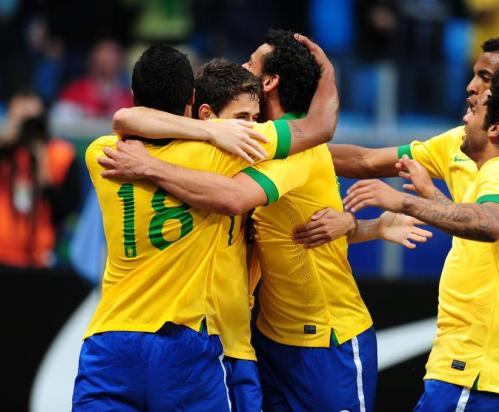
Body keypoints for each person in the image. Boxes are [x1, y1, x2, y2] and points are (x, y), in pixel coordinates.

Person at [100, 30, 413, 412]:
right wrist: (362, 226)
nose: (242, 68)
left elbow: (236, 195)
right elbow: (130, 117)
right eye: (237, 118)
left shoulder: (277, 148)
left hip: (326, 341)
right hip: (261, 338)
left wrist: (357, 223)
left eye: (251, 63)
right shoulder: (232, 147)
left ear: (269, 82)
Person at [310, 37, 499, 390]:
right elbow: (365, 160)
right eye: (473, 75)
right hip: (467, 325)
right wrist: (287, 144)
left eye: (485, 77)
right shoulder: (464, 140)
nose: (471, 86)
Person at [73, 40, 337, 410]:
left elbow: (124, 120)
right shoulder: (227, 152)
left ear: (133, 94)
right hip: (185, 338)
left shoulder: (103, 153)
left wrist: (206, 130)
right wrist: (327, 72)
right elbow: (320, 127)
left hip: (109, 339)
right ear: (195, 101)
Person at [344, 68, 499, 410]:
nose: (465, 116)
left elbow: (490, 224)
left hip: (476, 364)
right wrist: (430, 193)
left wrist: (403, 201)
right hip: (479, 365)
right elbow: (480, 230)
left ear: (495, 129)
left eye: (474, 113)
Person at [0, 91, 80, 269]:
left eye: (33, 121)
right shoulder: (5, 152)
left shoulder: (60, 154)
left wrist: (44, 173)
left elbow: (68, 208)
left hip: (40, 256)